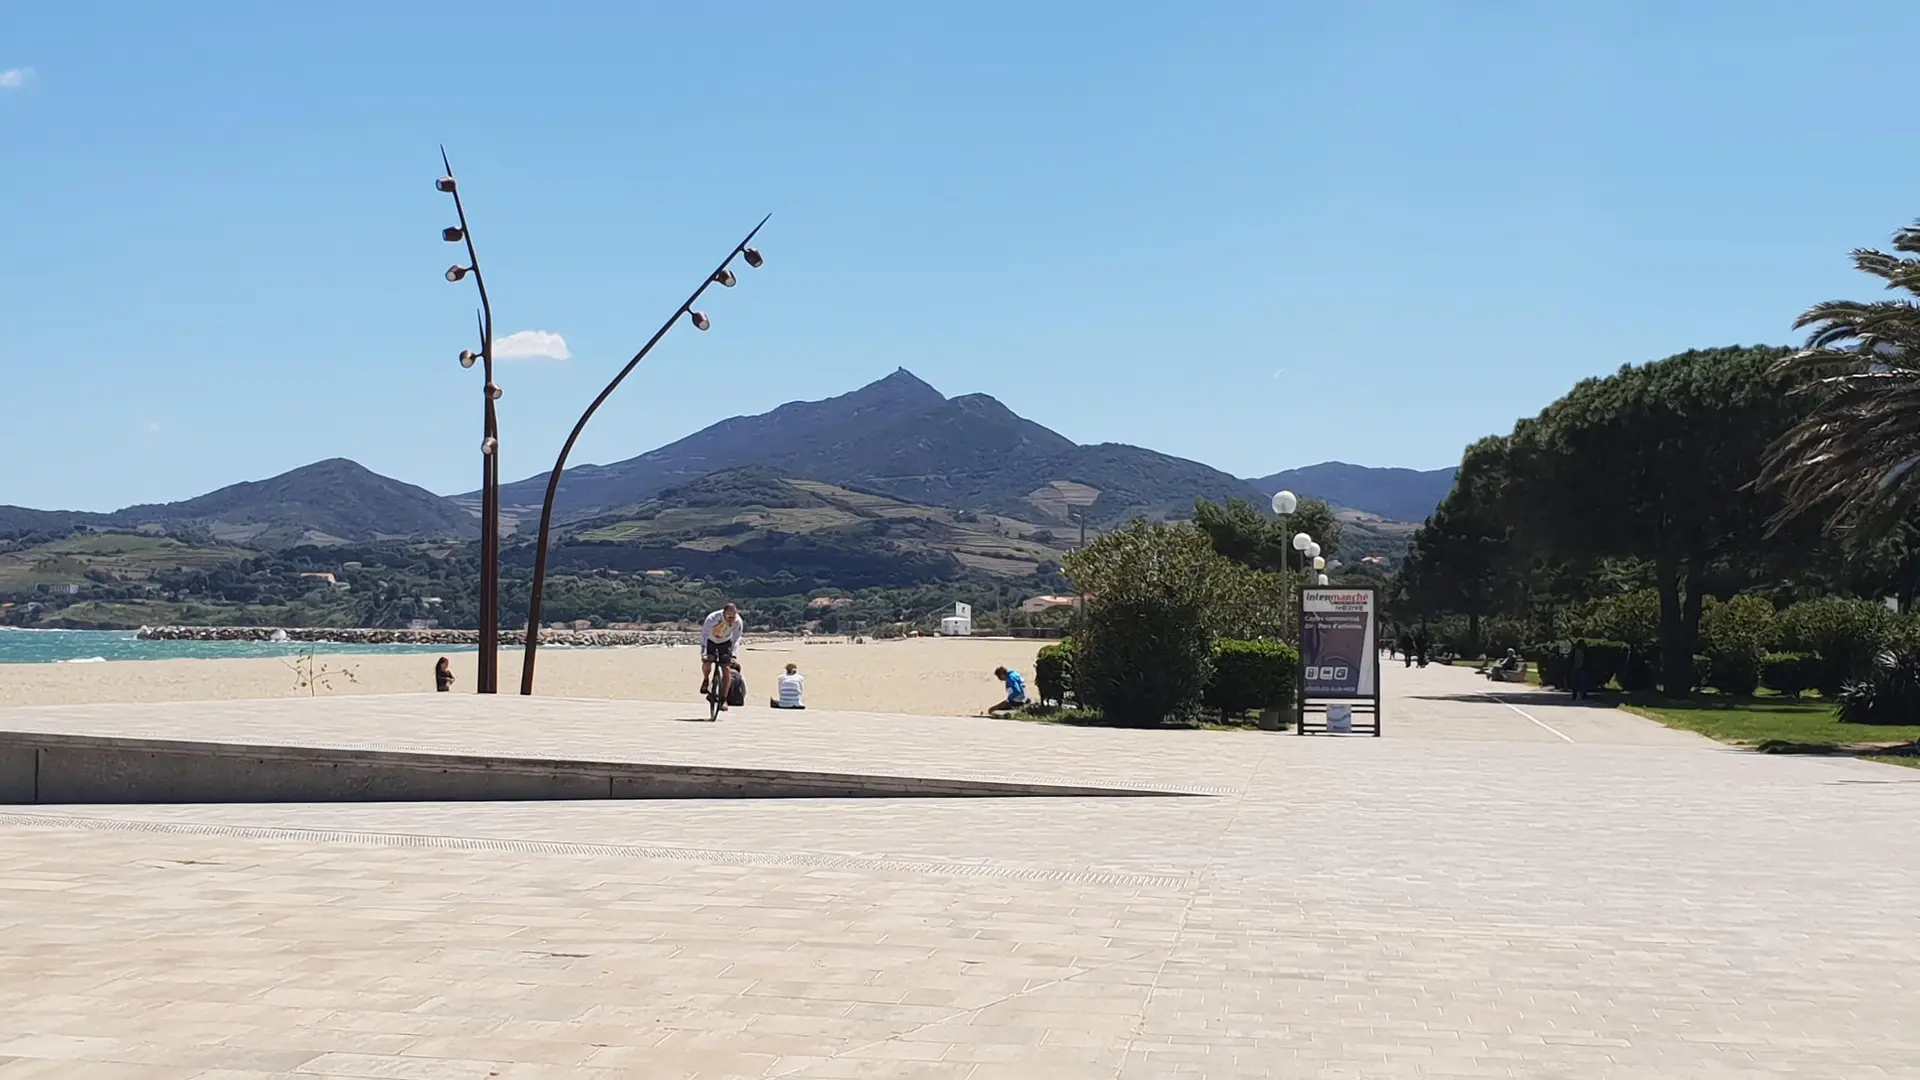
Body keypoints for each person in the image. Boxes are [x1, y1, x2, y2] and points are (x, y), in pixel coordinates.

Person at [699, 603, 744, 711]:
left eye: (734, 615)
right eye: (729, 616)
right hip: (711, 641)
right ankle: (706, 679)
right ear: (724, 613)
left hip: (725, 642)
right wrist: (704, 652)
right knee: (707, 661)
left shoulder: (738, 621)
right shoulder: (712, 618)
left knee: (726, 668)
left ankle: (724, 698)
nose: (732, 618)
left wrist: (734, 655)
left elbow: (736, 639)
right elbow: (704, 636)